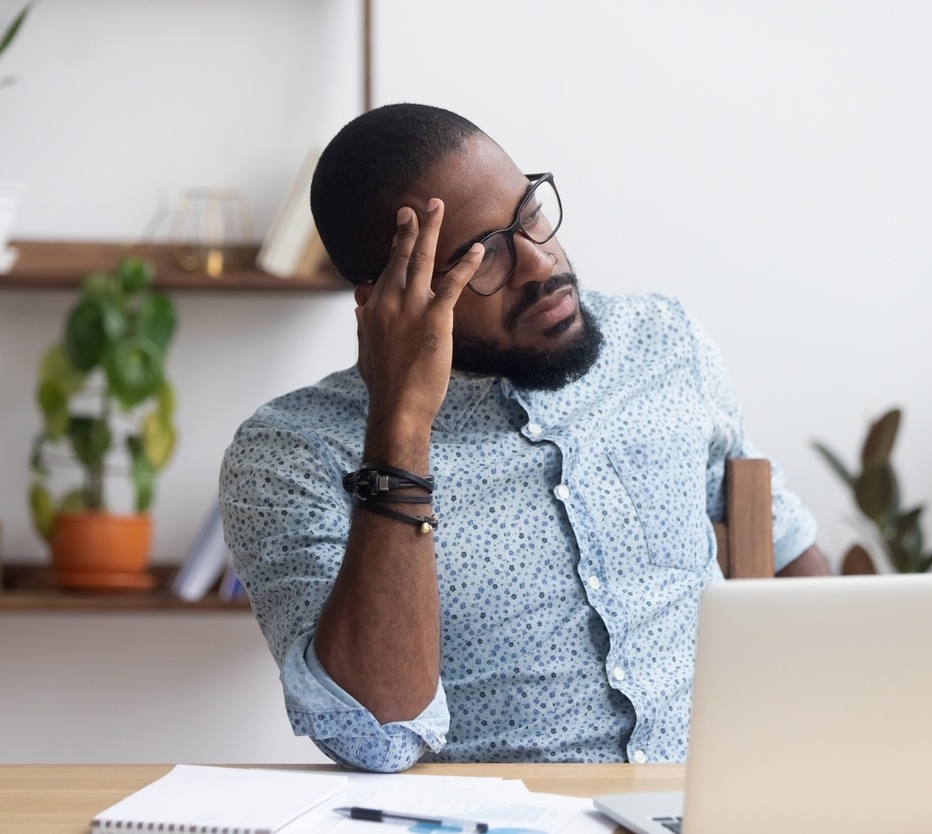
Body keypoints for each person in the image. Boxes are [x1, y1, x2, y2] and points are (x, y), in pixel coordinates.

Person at [219, 103, 829, 773]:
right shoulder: (292, 453)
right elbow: (377, 737)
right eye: (479, 257)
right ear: (388, 298)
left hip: (713, 805)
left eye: (529, 212)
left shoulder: (662, 341)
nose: (539, 264)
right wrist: (400, 425)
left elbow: (778, 543)